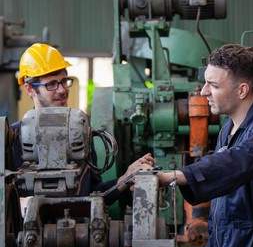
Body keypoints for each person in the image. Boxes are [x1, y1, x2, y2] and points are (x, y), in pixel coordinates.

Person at [156, 44, 253, 247]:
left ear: (242, 90)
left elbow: (234, 164)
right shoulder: (227, 129)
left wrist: (173, 176)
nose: (204, 91)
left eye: (212, 85)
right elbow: (221, 200)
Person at [12, 42, 154, 205]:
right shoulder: (13, 139)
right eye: (51, 84)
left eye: (64, 81)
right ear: (30, 89)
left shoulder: (80, 132)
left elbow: (95, 195)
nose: (62, 90)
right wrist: (18, 205)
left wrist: (125, 178)